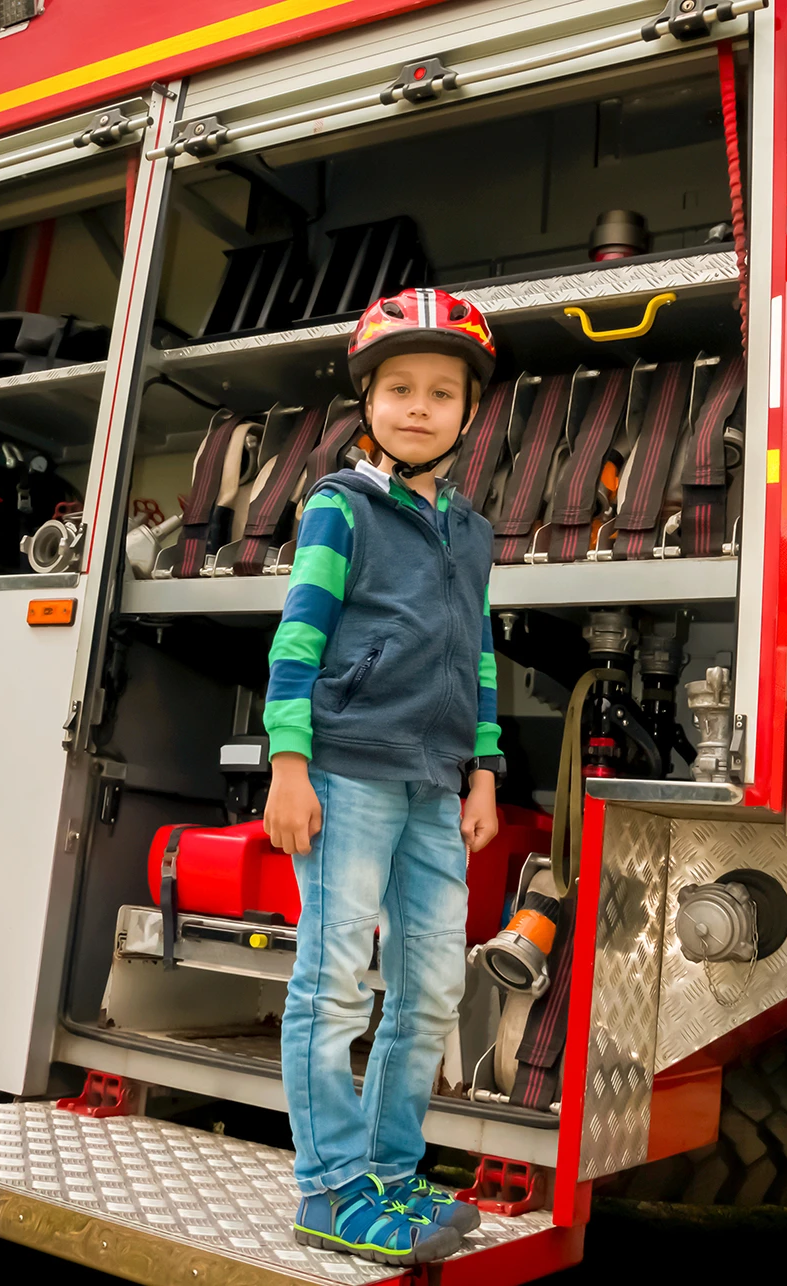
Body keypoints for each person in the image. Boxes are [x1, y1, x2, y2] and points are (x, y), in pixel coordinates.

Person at [262, 287, 504, 1266]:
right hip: (348, 773)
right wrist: (289, 762)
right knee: (333, 987)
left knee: (432, 988)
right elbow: (298, 636)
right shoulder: (341, 508)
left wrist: (483, 772)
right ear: (367, 400)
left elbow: (477, 654)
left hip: (436, 784)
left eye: (441, 392)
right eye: (399, 387)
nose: (418, 407)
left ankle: (390, 1174)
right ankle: (329, 1187)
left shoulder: (472, 532)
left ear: (468, 410)